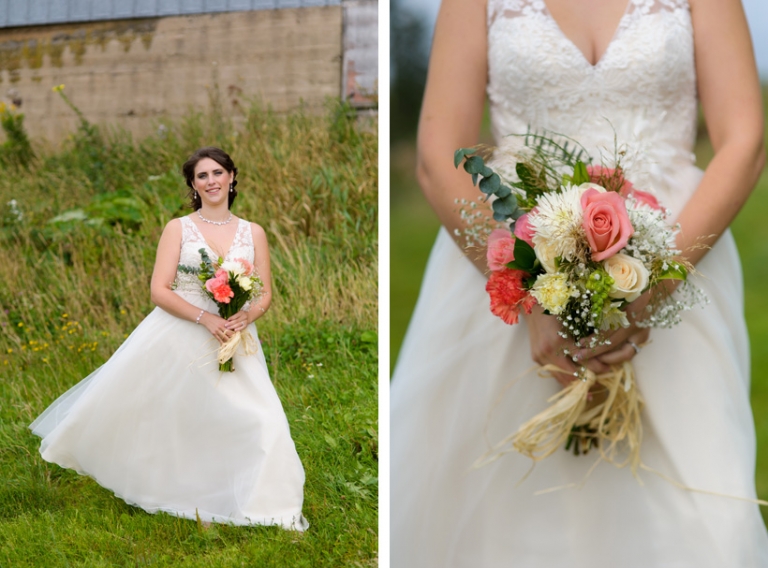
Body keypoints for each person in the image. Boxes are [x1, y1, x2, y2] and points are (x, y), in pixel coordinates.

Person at [391, 0, 767, 565]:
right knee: (502, 517)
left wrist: (648, 289)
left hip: (678, 262)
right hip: (513, 260)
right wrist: (532, 293)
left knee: (704, 525)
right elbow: (438, 154)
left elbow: (744, 139)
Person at [30, 147, 308, 530]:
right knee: (186, 418)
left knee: (264, 418)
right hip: (184, 331)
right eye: (201, 176)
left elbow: (265, 293)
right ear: (193, 186)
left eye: (217, 172)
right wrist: (205, 318)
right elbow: (159, 290)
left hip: (236, 335)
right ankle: (186, 493)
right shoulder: (179, 228)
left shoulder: (253, 231)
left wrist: (247, 315)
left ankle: (269, 504)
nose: (211, 181)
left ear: (232, 176)